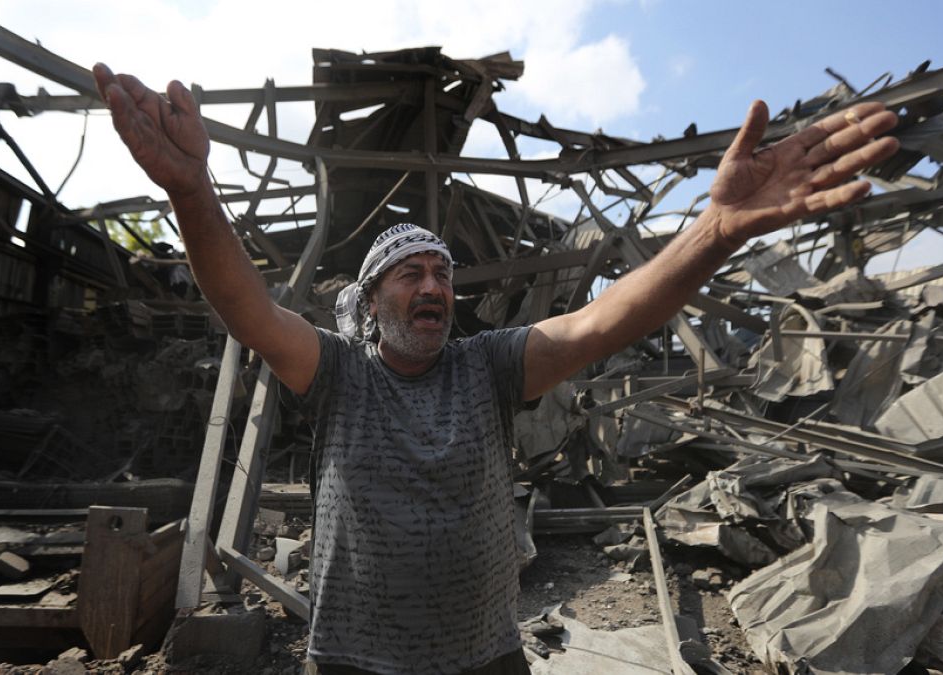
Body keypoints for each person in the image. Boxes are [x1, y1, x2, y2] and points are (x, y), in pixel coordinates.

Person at [92, 62, 899, 675]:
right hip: (352, 662)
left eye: (442, 273)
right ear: (372, 301)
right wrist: (193, 190)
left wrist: (715, 230)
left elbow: (602, 318)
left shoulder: (486, 368)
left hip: (487, 659)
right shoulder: (341, 374)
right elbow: (249, 309)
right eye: (412, 273)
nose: (435, 285)